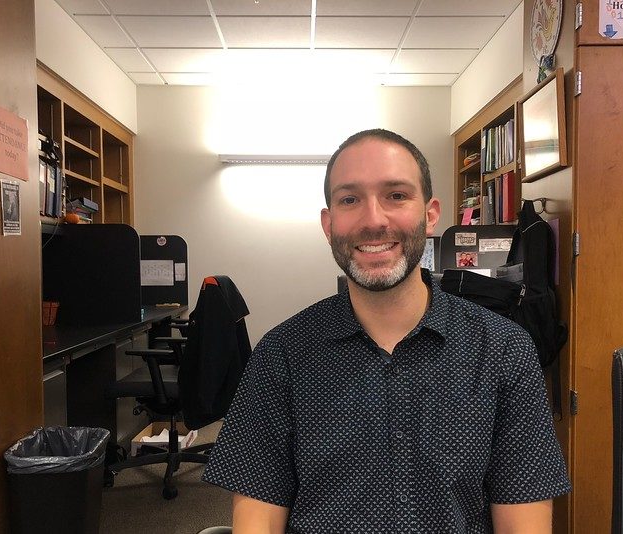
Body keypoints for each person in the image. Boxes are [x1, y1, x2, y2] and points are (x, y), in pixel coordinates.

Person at [202, 128, 570, 533]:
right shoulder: (281, 355)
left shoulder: (504, 350)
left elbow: (523, 522)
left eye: (396, 195)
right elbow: (259, 518)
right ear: (329, 224)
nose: (373, 220)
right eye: (349, 199)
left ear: (430, 215)